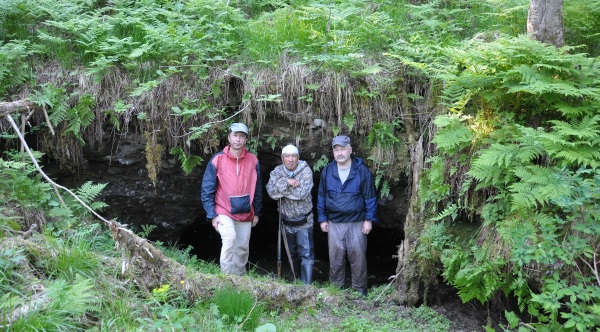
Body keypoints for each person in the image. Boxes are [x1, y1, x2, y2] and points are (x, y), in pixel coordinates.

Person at [317, 135, 377, 296]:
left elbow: (370, 197)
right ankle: (336, 288)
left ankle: (359, 288)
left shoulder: (361, 170)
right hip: (334, 222)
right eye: (336, 150)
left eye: (343, 149)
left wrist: (368, 220)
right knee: (335, 256)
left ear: (350, 150)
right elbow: (321, 196)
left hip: (356, 222)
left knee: (357, 255)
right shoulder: (328, 170)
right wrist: (322, 218)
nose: (340, 153)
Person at [201, 123, 262, 276]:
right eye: (235, 135)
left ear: (246, 139)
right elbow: (207, 189)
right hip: (224, 209)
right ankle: (226, 279)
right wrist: (211, 215)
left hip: (246, 211)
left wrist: (257, 212)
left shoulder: (253, 160)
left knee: (242, 247)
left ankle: (239, 280)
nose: (238, 139)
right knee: (229, 238)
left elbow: (258, 188)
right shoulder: (217, 160)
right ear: (229, 137)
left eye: (242, 136)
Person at [266, 144, 315, 284]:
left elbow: (301, 194)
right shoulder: (276, 172)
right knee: (292, 254)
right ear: (282, 158)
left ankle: (307, 286)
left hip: (304, 221)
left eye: (293, 156)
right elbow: (271, 192)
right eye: (287, 156)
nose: (291, 159)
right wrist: (288, 182)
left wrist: (280, 188)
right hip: (286, 222)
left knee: (306, 254)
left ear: (298, 158)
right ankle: (297, 281)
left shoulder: (306, 171)